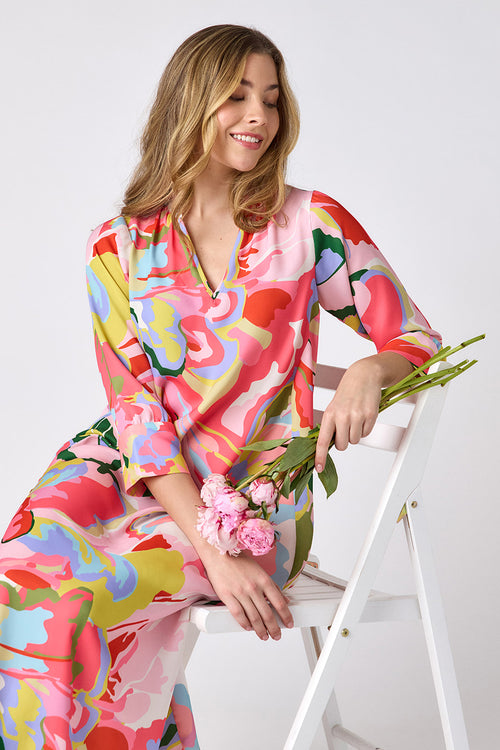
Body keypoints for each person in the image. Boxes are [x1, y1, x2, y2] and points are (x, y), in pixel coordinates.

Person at [0, 24, 441, 750]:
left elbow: (417, 338)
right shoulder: (119, 244)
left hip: (253, 504)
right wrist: (209, 552)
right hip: (129, 475)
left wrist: (370, 369)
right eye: (236, 96)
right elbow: (134, 408)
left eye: (271, 98)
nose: (258, 116)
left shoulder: (310, 225)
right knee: (18, 580)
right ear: (189, 103)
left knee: (75, 599)